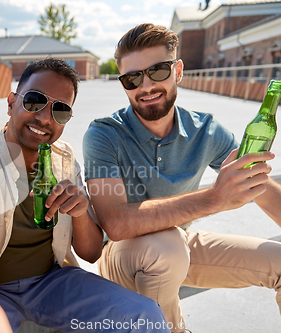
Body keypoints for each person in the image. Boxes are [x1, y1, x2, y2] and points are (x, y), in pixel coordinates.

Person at [0, 58, 169, 333]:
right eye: (34, 101)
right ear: (11, 103)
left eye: (60, 110)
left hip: (50, 282)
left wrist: (80, 212)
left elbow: (91, 253)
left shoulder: (65, 161)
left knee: (145, 315)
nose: (45, 118)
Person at [83, 23, 281, 333]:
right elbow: (116, 223)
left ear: (178, 70)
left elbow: (260, 187)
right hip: (121, 255)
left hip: (178, 246)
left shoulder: (207, 131)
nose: (145, 86)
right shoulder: (104, 134)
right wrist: (214, 198)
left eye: (158, 71)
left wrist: (238, 188)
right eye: (132, 78)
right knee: (168, 245)